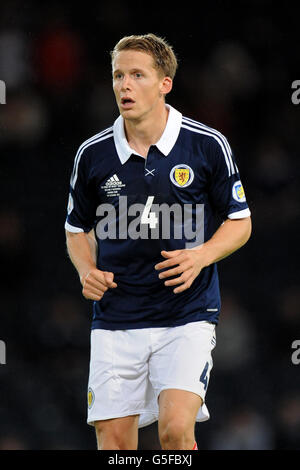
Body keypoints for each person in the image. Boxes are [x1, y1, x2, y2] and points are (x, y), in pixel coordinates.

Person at [64, 33, 252, 450]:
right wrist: (86, 270)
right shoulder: (92, 154)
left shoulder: (206, 145)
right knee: (113, 443)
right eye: (117, 76)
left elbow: (240, 222)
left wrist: (201, 255)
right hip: (116, 317)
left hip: (185, 314)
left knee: (175, 432)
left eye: (137, 75)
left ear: (165, 83)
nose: (124, 86)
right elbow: (76, 228)